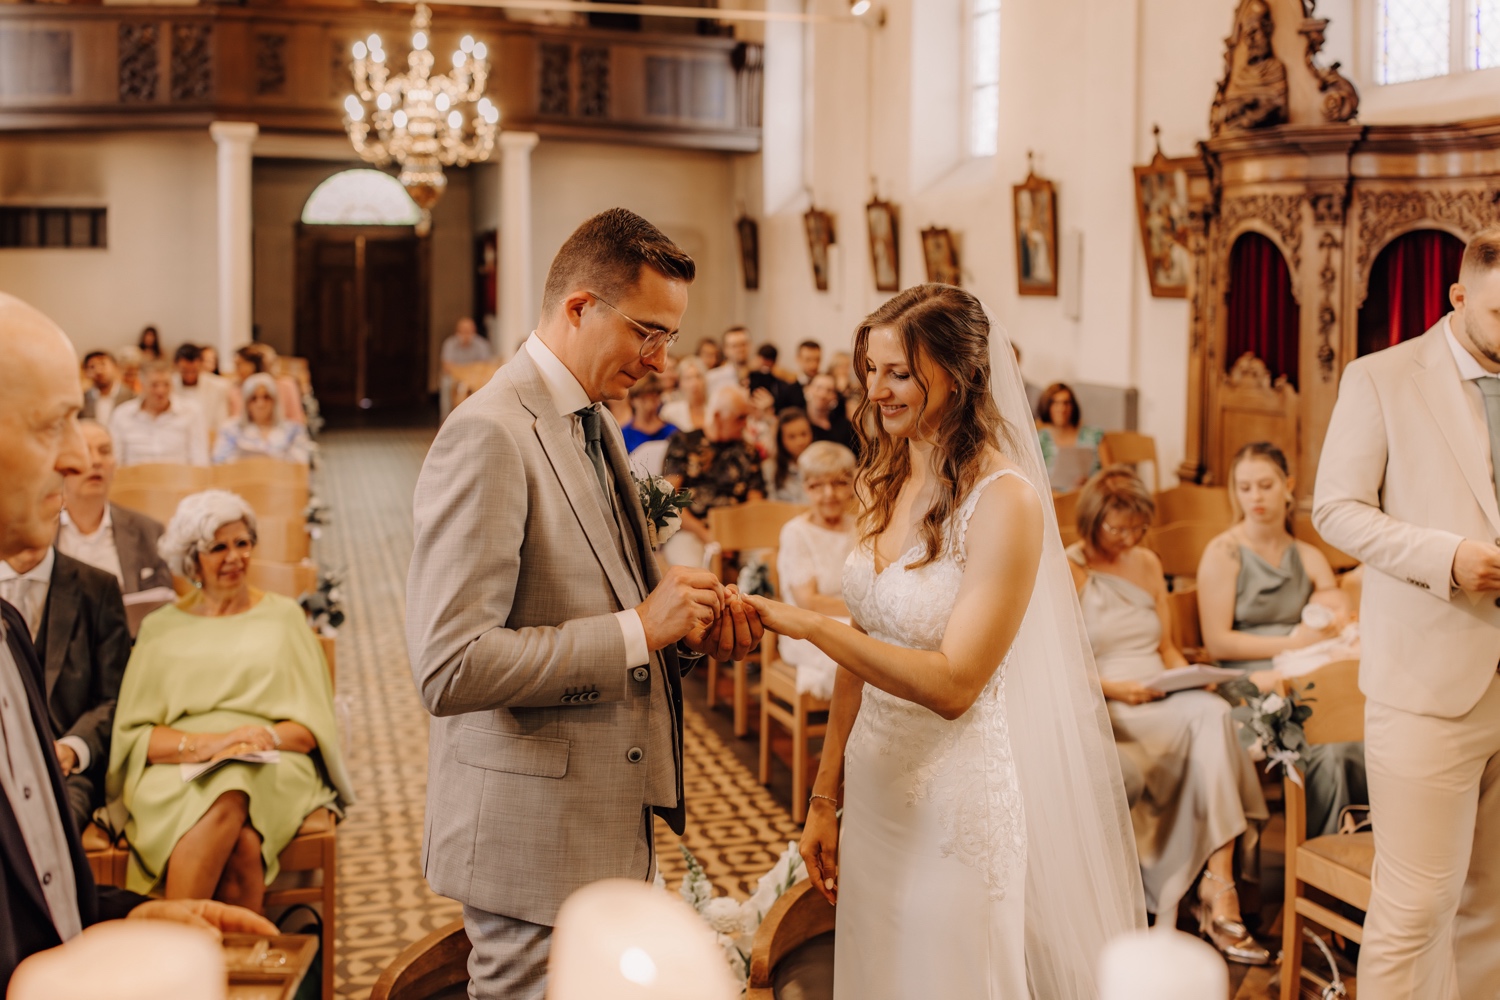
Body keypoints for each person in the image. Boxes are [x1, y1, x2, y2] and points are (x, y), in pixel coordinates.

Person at [744, 284, 1144, 1000]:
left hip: (956, 806)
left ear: (956, 376)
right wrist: (824, 797)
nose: (876, 390)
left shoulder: (1006, 500)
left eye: (898, 372)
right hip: (874, 784)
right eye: (871, 369)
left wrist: (810, 626)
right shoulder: (883, 472)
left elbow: (956, 685)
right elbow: (861, 649)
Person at [405, 208, 761, 999]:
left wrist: (685, 630)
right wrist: (640, 629)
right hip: (531, 843)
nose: (661, 362)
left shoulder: (593, 417)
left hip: (605, 819)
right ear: (579, 308)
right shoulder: (490, 434)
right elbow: (451, 665)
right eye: (649, 333)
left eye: (670, 339)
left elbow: (603, 591)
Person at [0, 291, 276, 994]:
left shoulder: (7, 634)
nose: (77, 460)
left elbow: (32, 887)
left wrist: (133, 914)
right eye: (53, 425)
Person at [1313, 229, 1500, 998]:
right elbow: (1335, 510)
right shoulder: (1382, 377)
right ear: (1458, 298)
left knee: (1491, 904)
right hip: (1430, 683)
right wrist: (1445, 558)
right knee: (1416, 907)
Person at [105, 490, 354, 906]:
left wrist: (259, 739)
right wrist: (210, 745)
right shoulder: (160, 628)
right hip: (179, 767)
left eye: (242, 543)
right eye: (218, 547)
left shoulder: (284, 617)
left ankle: (179, 949)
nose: (235, 557)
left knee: (234, 781)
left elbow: (311, 729)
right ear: (191, 560)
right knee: (242, 843)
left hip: (273, 761)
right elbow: (136, 736)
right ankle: (238, 963)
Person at [1066, 469, 1267, 961]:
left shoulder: (1149, 563)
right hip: (1107, 699)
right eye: (1117, 530)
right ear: (1092, 522)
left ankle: (1216, 883)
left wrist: (1190, 676)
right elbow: (1059, 667)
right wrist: (1116, 688)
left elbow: (1169, 648)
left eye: (1137, 529)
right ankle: (1220, 896)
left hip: (1158, 689)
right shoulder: (1067, 568)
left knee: (1214, 710)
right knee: (1211, 723)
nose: (1128, 540)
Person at [1198, 442, 1365, 838]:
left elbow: (1335, 607)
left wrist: (1335, 621)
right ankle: (1323, 850)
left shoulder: (1306, 555)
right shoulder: (1224, 552)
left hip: (1305, 668)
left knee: (1356, 731)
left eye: (1265, 485)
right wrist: (1294, 644)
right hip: (1247, 677)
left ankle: (1359, 840)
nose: (1255, 496)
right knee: (1328, 741)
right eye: (1244, 487)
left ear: (1287, 485)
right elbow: (1218, 643)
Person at [1, 546, 129, 832]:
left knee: (46, 833)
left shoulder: (97, 587)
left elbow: (114, 698)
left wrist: (71, 749)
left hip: (65, 771)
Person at [57, 421, 174, 605]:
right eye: (84, 451)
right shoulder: (40, 536)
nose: (96, 461)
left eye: (105, 451)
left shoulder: (148, 532)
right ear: (61, 466)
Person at [774, 442, 857, 699]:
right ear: (805, 489)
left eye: (839, 483)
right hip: (807, 628)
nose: (829, 494)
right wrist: (862, 613)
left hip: (852, 623)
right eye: (817, 486)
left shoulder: (861, 527)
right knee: (860, 660)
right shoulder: (796, 532)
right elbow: (807, 601)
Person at [661, 384, 765, 567]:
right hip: (691, 530)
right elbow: (670, 498)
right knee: (694, 570)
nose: (745, 424)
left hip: (738, 531)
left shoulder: (748, 450)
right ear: (718, 416)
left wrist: (732, 537)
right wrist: (707, 535)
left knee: (765, 561)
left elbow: (755, 501)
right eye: (740, 418)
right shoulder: (684, 442)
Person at [109, 361, 209, 467]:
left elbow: (200, 460)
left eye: (166, 384)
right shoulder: (122, 414)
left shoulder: (191, 412)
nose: (161, 391)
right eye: (154, 385)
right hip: (135, 480)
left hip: (179, 480)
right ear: (142, 385)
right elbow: (116, 461)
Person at [212, 374, 312, 466]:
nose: (260, 404)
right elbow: (219, 462)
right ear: (246, 403)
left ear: (275, 401)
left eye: (266, 397)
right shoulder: (230, 429)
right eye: (254, 398)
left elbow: (301, 464)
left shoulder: (293, 430)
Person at [1036, 382, 1104, 493]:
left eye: (1066, 403)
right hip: (1055, 502)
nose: (1062, 409)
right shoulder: (1039, 440)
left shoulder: (1094, 436)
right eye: (1055, 403)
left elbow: (1110, 475)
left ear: (1073, 407)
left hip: (1090, 497)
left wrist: (1091, 483)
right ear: (1047, 406)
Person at [231, 345, 306, 426]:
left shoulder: (285, 385)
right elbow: (235, 419)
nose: (238, 370)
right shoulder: (235, 390)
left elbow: (296, 418)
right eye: (236, 365)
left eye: (241, 364)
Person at [439, 317, 496, 420]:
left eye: (468, 331)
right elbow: (447, 366)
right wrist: (464, 372)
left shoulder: (482, 345)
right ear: (457, 332)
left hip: (476, 378)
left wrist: (469, 372)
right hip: (456, 376)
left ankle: (483, 418)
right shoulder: (449, 344)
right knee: (446, 383)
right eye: (463, 331)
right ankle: (445, 419)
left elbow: (485, 366)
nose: (466, 335)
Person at [172, 344, 231, 437]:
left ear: (200, 364)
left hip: (209, 437)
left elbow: (222, 421)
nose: (189, 375)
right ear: (176, 365)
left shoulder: (218, 386)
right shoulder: (169, 386)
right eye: (185, 371)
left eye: (194, 370)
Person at [764, 408, 814, 503]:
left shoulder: (821, 464)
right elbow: (772, 504)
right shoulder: (771, 468)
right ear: (781, 440)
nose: (800, 442)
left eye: (804, 434)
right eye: (792, 437)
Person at [620, 373, 678, 454]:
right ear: (633, 400)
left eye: (653, 397)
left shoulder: (672, 431)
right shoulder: (623, 435)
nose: (648, 405)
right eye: (643, 398)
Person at [805, 372, 859, 455]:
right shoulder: (799, 423)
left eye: (829, 390)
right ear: (807, 389)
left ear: (834, 397)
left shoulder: (845, 426)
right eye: (818, 388)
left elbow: (858, 454)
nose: (822, 394)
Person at [80, 352, 134, 425]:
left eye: (103, 364)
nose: (98, 371)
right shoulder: (82, 400)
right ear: (86, 372)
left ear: (115, 367)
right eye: (92, 367)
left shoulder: (130, 397)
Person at [660, 357, 707, 433]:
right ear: (680, 382)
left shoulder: (713, 409)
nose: (694, 383)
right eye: (688, 378)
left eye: (698, 376)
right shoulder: (669, 412)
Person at [706, 325, 750, 395]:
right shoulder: (712, 379)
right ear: (725, 349)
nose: (740, 349)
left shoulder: (763, 375)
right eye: (734, 346)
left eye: (743, 344)